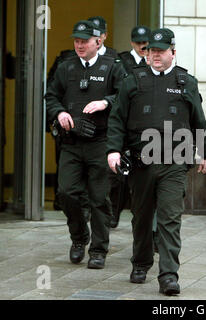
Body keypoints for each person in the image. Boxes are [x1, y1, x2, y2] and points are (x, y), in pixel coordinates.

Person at [106, 28, 206, 295]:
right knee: (141, 217)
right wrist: (113, 150)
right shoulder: (133, 80)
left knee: (169, 218)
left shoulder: (186, 81)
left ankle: (168, 275)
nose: (154, 55)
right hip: (141, 162)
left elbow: (198, 120)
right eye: (150, 50)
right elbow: (117, 118)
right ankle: (141, 263)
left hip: (175, 162)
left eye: (160, 51)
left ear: (172, 52)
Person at [45, 20, 126, 269]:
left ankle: (99, 250)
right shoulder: (66, 67)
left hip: (100, 142)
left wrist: (106, 102)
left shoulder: (113, 66)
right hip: (71, 142)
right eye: (76, 41)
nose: (79, 45)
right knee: (67, 193)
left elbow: (126, 95)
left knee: (100, 198)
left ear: (98, 41)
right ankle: (79, 238)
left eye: (84, 41)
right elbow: (51, 96)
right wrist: (58, 113)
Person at [108, 25, 152, 229]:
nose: (143, 46)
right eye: (139, 43)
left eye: (145, 43)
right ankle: (113, 215)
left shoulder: (154, 61)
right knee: (119, 177)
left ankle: (141, 220)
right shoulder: (121, 61)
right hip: (126, 120)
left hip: (145, 122)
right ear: (132, 42)